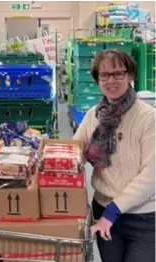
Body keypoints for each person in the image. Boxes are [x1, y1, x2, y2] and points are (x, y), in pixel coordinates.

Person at [74, 49, 155, 262]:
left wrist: (112, 212)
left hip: (142, 217)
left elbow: (150, 176)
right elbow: (75, 149)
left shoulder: (148, 118)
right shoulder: (95, 114)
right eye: (104, 75)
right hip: (103, 209)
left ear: (130, 76)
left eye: (118, 73)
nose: (111, 80)